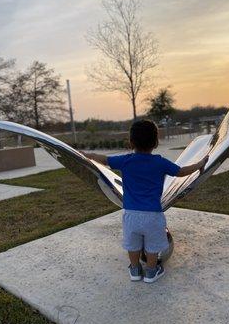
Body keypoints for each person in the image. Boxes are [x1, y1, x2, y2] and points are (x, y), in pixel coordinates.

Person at [82, 120, 208, 283]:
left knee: (132, 245)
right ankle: (151, 271)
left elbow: (104, 160)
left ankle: (134, 270)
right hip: (153, 216)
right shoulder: (160, 162)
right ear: (155, 142)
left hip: (131, 215)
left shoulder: (125, 161)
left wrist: (88, 155)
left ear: (131, 142)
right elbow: (181, 172)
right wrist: (199, 164)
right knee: (153, 246)